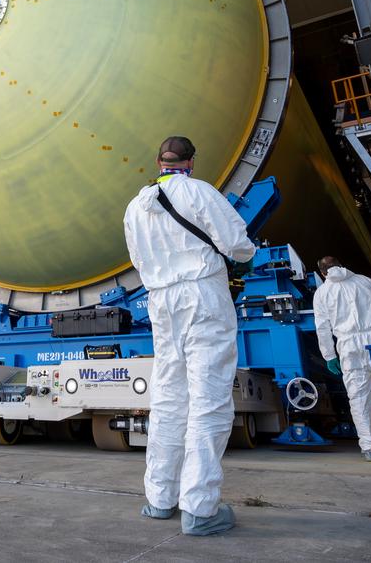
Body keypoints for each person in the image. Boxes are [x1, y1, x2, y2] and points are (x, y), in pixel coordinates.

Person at [123, 135, 257, 536]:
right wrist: (243, 259)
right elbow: (238, 244)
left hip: (160, 301)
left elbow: (136, 260)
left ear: (158, 160)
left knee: (167, 397)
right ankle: (200, 508)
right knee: (209, 397)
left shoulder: (136, 206)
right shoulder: (199, 192)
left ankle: (160, 499)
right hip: (202, 295)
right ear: (191, 162)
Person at [313, 256, 371, 461]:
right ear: (341, 265)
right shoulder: (365, 281)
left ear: (322, 273)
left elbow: (322, 328)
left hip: (349, 346)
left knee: (359, 397)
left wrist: (329, 355)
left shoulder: (322, 293)